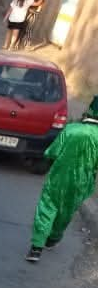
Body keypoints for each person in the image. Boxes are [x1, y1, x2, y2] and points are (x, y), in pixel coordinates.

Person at [27, 96, 98, 261]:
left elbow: (51, 152)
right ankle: (53, 239)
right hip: (82, 182)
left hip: (59, 177)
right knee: (67, 211)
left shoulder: (71, 129)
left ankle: (36, 249)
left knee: (47, 207)